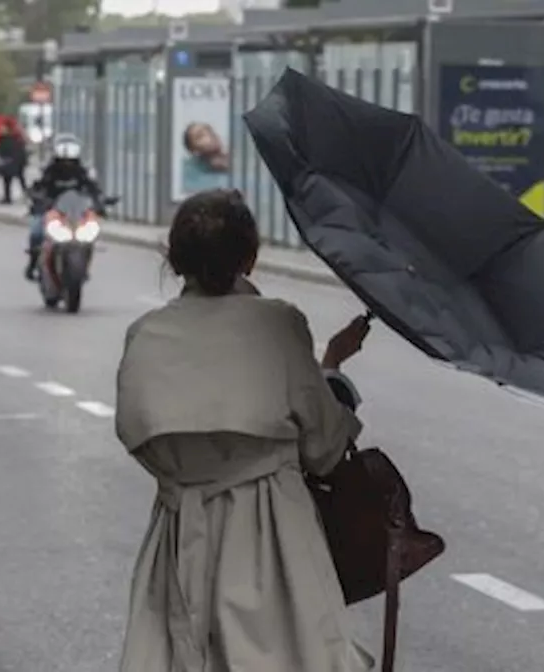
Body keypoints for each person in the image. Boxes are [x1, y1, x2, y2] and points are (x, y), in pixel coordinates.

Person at [113, 188, 375, 672]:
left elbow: (135, 432)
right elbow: (325, 448)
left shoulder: (145, 334)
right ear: (249, 259)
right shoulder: (279, 325)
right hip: (272, 539)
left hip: (177, 541)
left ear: (174, 259)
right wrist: (331, 368)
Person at [23, 139, 104, 279]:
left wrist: (100, 203)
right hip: (52, 211)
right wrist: (37, 198)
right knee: (36, 232)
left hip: (76, 213)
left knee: (91, 234)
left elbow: (93, 189)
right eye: (63, 161)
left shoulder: (82, 172)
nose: (67, 164)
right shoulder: (48, 171)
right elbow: (36, 187)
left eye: (71, 161)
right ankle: (32, 264)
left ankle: (83, 266)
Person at [0, 119, 28, 204]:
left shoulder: (9, 138)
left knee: (9, 179)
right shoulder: (16, 137)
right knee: (16, 178)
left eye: (3, 127)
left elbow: (4, 150)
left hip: (12, 161)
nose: (1, 128)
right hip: (15, 161)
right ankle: (23, 195)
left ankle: (9, 197)